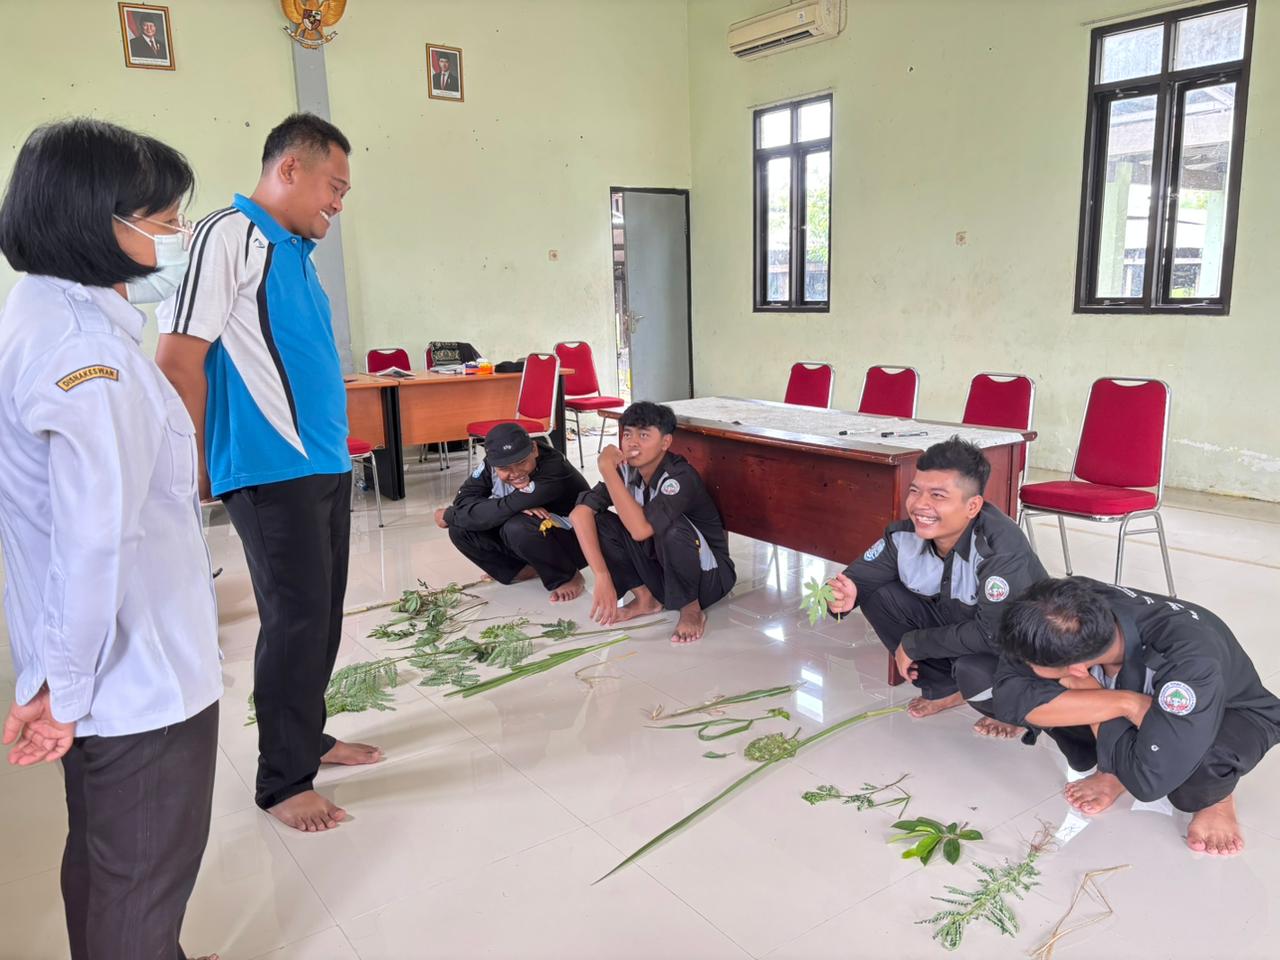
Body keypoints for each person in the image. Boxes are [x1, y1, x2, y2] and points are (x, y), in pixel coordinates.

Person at [0, 118, 220, 960]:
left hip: (97, 671)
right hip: (136, 680)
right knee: (141, 879)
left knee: (105, 862)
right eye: (162, 222)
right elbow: (95, 541)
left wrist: (60, 679)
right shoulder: (84, 353)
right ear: (101, 222)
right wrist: (69, 687)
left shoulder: (45, 315)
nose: (172, 240)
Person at [155, 113, 379, 834]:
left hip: (321, 461)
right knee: (293, 620)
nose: (339, 203)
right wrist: (191, 464)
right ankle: (284, 782)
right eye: (333, 186)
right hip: (267, 467)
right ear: (289, 168)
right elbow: (179, 357)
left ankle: (306, 737)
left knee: (321, 616)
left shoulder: (293, 251)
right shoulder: (229, 235)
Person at [995, 577, 1280, 857]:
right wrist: (1125, 703)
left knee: (1191, 782)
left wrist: (1089, 693)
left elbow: (1148, 783)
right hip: (1137, 703)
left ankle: (1217, 800)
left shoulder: (1191, 661)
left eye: (1030, 662)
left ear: (1078, 667)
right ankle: (1112, 769)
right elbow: (1009, 697)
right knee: (1040, 692)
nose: (1024, 664)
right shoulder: (1061, 611)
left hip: (1229, 713)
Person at [825, 437, 1045, 736]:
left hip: (1018, 648)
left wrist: (913, 643)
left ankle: (1014, 709)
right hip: (965, 626)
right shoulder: (904, 537)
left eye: (938, 495)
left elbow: (994, 635)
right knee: (875, 592)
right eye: (915, 490)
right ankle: (944, 688)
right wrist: (841, 595)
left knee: (975, 672)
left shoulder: (1000, 549)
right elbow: (857, 580)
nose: (919, 505)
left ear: (973, 506)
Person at [570, 401, 735, 643]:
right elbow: (579, 515)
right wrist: (602, 576)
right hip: (663, 571)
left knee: (671, 528)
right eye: (627, 434)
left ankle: (691, 609)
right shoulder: (626, 471)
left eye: (644, 435)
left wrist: (606, 468)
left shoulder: (679, 477)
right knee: (602, 521)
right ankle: (646, 599)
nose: (632, 442)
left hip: (709, 579)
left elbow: (640, 530)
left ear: (665, 442)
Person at [435, 423, 590, 601]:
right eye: (504, 468)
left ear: (534, 449)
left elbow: (505, 507)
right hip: (536, 536)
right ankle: (522, 570)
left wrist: (448, 514)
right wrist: (516, 506)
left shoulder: (554, 468)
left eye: (521, 462)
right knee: (460, 529)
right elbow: (463, 502)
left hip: (577, 542)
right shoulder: (490, 466)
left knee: (515, 525)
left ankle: (568, 575)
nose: (515, 473)